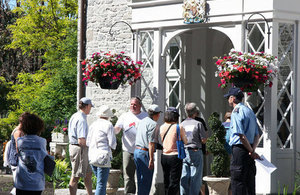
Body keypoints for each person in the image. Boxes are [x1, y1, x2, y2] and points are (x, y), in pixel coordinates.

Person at [224, 87, 261, 195]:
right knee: (249, 182)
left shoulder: (236, 112)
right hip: (249, 149)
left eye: (229, 98)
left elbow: (241, 136)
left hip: (240, 149)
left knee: (238, 181)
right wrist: (252, 150)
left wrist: (250, 151)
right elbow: (257, 135)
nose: (228, 100)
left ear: (233, 98)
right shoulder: (249, 111)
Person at [114, 96, 148, 194]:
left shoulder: (145, 116)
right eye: (131, 104)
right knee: (128, 176)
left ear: (140, 106)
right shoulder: (125, 116)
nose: (133, 106)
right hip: (128, 150)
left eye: (135, 105)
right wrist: (111, 129)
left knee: (142, 175)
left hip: (142, 150)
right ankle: (129, 193)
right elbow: (117, 129)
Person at [14, 112, 47, 195]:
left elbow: (18, 152)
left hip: (22, 181)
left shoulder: (20, 141)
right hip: (37, 182)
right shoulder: (42, 141)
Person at [87, 105, 117, 195]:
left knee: (100, 183)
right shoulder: (108, 124)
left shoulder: (93, 124)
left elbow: (88, 142)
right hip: (103, 155)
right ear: (108, 116)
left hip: (92, 155)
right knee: (101, 184)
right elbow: (112, 142)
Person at [134, 104, 162, 195]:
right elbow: (151, 143)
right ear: (157, 114)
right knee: (146, 180)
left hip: (137, 151)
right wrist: (151, 159)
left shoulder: (142, 121)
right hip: (145, 152)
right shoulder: (154, 124)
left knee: (140, 179)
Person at [180, 103, 207, 195]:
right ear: (196, 112)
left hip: (184, 151)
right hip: (195, 150)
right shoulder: (198, 123)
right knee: (195, 176)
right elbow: (203, 140)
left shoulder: (182, 124)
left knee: (185, 175)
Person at [68, 97, 94, 195]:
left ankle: (90, 194)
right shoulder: (81, 119)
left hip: (77, 148)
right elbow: (81, 140)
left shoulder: (75, 115)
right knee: (76, 176)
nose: (91, 109)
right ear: (86, 106)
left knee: (88, 174)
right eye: (90, 106)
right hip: (80, 149)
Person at [160, 107, 187, 195]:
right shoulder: (178, 127)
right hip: (175, 155)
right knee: (174, 181)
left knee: (166, 179)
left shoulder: (162, 127)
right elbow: (186, 141)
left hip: (164, 155)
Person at [6, 124, 24, 195]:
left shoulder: (19, 131)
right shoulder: (18, 132)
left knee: (20, 184)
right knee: (19, 184)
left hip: (17, 160)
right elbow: (18, 147)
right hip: (16, 160)